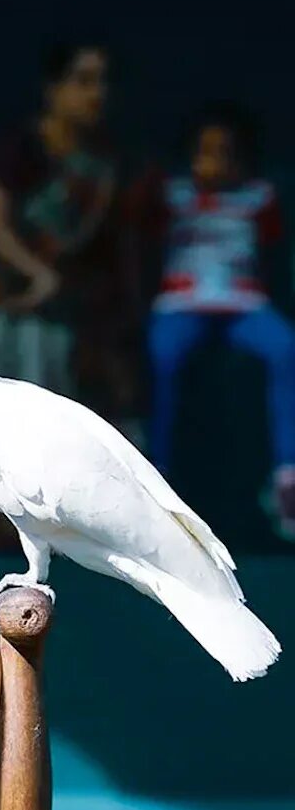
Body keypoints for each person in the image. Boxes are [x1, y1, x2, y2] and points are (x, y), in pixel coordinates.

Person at [139, 101, 295, 538]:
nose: (215, 161)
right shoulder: (172, 193)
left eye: (225, 152)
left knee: (286, 348)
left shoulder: (259, 196)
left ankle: (288, 474)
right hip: (181, 301)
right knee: (162, 357)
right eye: (206, 151)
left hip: (243, 303)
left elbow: (274, 249)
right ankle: (158, 473)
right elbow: (141, 238)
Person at [0, 42, 116, 399]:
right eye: (84, 81)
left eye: (102, 82)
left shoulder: (101, 163)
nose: (96, 94)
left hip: (59, 303)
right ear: (54, 89)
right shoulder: (21, 146)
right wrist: (36, 274)